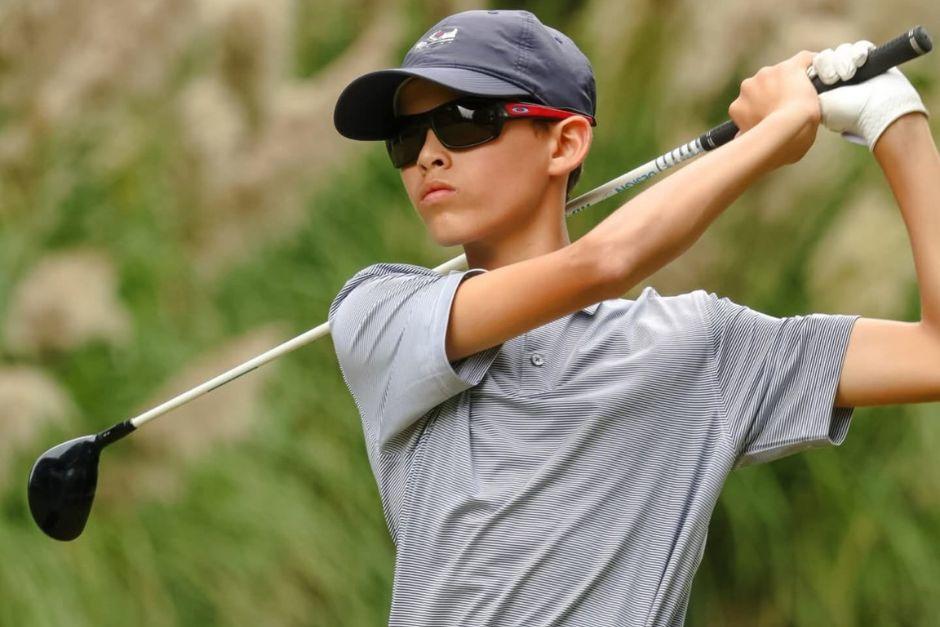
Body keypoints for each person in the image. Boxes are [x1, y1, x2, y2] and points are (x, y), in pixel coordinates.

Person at [327, 9, 936, 626]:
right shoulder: (379, 313)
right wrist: (774, 134)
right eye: (406, 138)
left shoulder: (699, 348)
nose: (427, 155)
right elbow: (603, 262)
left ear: (563, 142)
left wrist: (894, 120)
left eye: (463, 122)